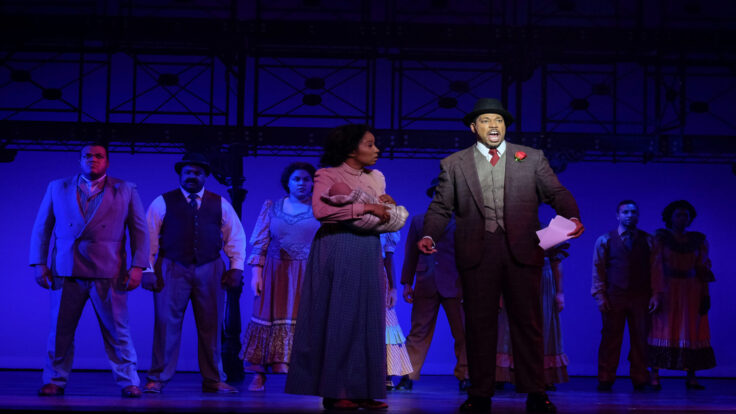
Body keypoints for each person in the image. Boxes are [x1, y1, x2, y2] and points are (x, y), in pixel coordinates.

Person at [418, 98, 584, 413]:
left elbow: (556, 192)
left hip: (522, 251)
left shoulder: (531, 158)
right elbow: (441, 207)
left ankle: (536, 391)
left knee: (528, 323)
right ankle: (480, 393)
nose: (493, 125)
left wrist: (571, 216)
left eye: (498, 120)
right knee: (478, 325)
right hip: (477, 253)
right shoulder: (454, 163)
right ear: (473, 127)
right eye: (485, 120)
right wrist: (429, 235)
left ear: (505, 126)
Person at [285, 124, 396, 411]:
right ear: (350, 149)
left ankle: (365, 389)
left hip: (368, 246)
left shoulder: (377, 177)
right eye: (369, 144)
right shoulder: (328, 174)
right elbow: (322, 212)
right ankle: (337, 390)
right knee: (342, 316)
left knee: (369, 317)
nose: (376, 150)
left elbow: (382, 212)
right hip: (338, 245)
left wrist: (387, 205)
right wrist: (366, 208)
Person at [29, 143, 149, 398]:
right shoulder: (57, 187)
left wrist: (138, 266)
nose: (92, 159)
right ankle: (54, 379)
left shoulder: (125, 189)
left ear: (107, 161)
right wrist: (39, 263)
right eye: (87, 156)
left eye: (98, 156)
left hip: (109, 269)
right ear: (80, 160)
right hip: (67, 268)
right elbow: (42, 227)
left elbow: (140, 231)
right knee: (60, 330)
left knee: (118, 330)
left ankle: (129, 380)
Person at [141, 153, 245, 394]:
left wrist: (236, 267)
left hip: (210, 267)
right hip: (171, 266)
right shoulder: (163, 201)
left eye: (197, 172)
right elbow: (148, 237)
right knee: (166, 324)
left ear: (205, 176)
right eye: (187, 172)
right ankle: (157, 377)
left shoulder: (219, 203)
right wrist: (147, 268)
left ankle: (214, 379)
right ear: (180, 175)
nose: (191, 176)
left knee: (212, 325)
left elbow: (235, 236)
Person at [240, 162, 320, 392]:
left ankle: (305, 372)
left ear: (313, 183)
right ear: (288, 182)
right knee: (266, 316)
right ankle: (259, 374)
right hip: (276, 271)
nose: (301, 183)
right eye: (296, 179)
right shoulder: (272, 207)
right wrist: (256, 273)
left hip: (308, 271)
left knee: (307, 318)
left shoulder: (320, 209)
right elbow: (260, 241)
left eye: (306, 179)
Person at [395, 180, 469, 392]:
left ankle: (465, 375)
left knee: (463, 332)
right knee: (418, 331)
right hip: (425, 282)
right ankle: (407, 376)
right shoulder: (419, 220)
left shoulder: (464, 221)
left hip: (455, 283)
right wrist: (407, 283)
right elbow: (411, 253)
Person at [648, 200, 716, 389]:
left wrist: (705, 294)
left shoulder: (698, 241)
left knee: (691, 329)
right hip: (668, 289)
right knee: (661, 328)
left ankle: (691, 376)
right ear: (670, 217)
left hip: (691, 290)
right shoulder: (660, 239)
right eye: (678, 214)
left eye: (686, 215)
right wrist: (656, 293)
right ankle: (654, 375)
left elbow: (703, 268)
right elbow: (656, 266)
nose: (682, 218)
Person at [591, 200, 654, 391]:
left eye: (633, 212)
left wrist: (656, 294)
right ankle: (605, 377)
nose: (630, 215)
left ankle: (640, 377)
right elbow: (598, 269)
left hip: (640, 296)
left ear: (638, 215)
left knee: (641, 339)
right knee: (610, 338)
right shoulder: (605, 240)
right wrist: (600, 295)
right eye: (625, 212)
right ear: (618, 215)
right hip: (614, 296)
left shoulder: (648, 240)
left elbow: (655, 269)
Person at [496, 254, 569, 391]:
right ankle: (504, 374)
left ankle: (543, 375)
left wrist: (560, 293)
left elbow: (556, 262)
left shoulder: (547, 239)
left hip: (542, 280)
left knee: (543, 326)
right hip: (514, 277)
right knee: (509, 327)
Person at [381, 231, 413, 390]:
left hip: (379, 276)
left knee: (387, 322)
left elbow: (389, 256)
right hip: (355, 274)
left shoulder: (386, 226)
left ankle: (388, 372)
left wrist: (393, 288)